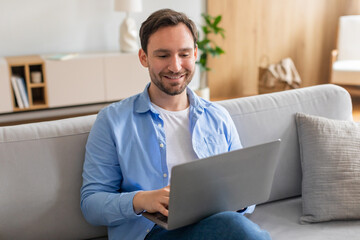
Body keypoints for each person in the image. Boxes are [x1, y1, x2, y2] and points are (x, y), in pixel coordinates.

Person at [80, 8, 271, 240]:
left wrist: (239, 201)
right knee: (236, 228)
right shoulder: (112, 121)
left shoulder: (218, 117)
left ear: (195, 54)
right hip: (151, 233)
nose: (176, 66)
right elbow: (91, 205)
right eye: (163, 56)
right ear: (144, 57)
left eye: (184, 54)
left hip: (214, 225)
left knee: (232, 223)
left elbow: (246, 193)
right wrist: (142, 199)